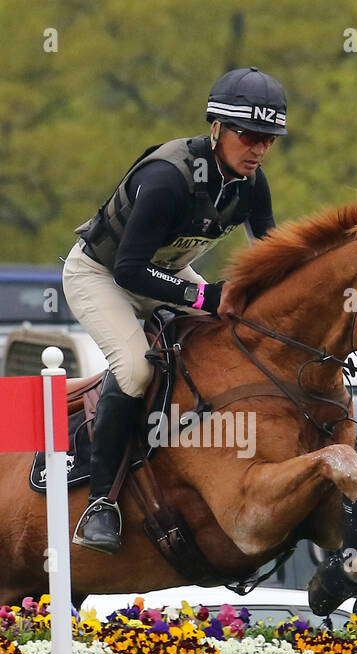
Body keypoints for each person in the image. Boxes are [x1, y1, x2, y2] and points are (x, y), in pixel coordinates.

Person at [64, 66, 286, 553]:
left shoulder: (252, 184)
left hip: (161, 271)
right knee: (137, 370)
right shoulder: (169, 178)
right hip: (102, 275)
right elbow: (129, 271)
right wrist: (205, 296)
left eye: (268, 139)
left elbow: (272, 256)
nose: (258, 148)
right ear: (217, 129)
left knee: (233, 336)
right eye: (249, 135)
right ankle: (100, 504)